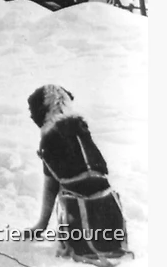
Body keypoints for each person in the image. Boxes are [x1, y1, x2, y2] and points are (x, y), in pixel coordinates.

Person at [24, 85, 127, 261]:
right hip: (111, 223)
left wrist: (41, 226)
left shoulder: (50, 137)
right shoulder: (81, 129)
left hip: (81, 225)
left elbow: (51, 188)